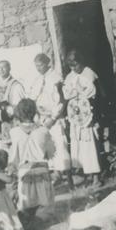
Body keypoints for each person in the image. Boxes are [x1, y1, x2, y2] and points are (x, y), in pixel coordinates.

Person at [8, 99, 56, 223]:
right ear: (34, 112)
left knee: (26, 206)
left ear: (18, 113)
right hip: (42, 172)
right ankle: (40, 217)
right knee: (44, 207)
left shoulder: (14, 133)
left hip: (24, 173)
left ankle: (28, 216)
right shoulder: (43, 131)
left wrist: (13, 178)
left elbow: (13, 159)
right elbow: (51, 152)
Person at [28, 53, 72, 187]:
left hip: (55, 118)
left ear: (47, 64)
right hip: (42, 119)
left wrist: (53, 118)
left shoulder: (56, 78)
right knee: (49, 147)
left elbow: (62, 101)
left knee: (60, 145)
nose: (38, 68)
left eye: (40, 65)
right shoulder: (37, 80)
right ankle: (57, 174)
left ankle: (69, 177)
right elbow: (33, 98)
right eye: (36, 66)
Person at [63, 49, 102, 187]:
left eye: (76, 65)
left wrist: (79, 91)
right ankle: (87, 174)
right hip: (76, 116)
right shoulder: (70, 76)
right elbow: (67, 94)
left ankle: (96, 177)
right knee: (79, 146)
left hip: (87, 117)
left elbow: (92, 93)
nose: (74, 68)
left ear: (81, 62)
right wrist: (76, 91)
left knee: (90, 145)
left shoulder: (89, 74)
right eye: (71, 66)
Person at [0, 60, 26, 150]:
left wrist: (8, 108)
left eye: (4, 67)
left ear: (9, 68)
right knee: (3, 148)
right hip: (0, 122)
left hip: (12, 120)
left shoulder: (16, 85)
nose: (1, 70)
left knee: (15, 147)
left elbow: (21, 105)